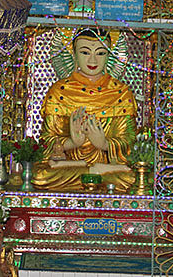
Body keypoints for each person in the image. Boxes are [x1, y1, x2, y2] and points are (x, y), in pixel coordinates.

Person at [32, 28, 136, 192]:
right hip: (70, 167)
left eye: (101, 53)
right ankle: (92, 172)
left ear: (109, 55)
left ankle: (94, 171)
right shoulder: (59, 92)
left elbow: (129, 142)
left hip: (107, 168)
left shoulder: (120, 93)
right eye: (85, 52)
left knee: (132, 178)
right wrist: (72, 143)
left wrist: (104, 144)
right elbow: (46, 142)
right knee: (40, 176)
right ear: (74, 55)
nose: (93, 59)